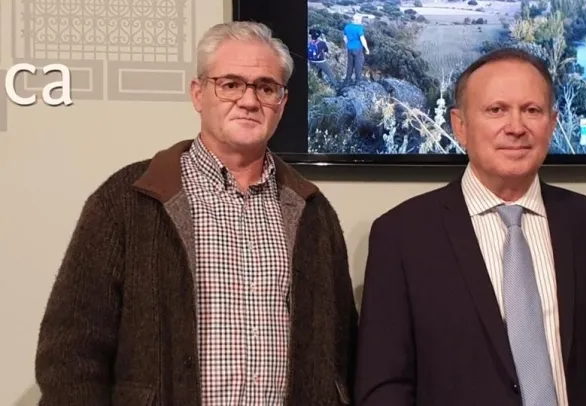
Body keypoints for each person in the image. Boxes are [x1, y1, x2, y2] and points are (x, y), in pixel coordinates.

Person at [34, 21, 357, 406]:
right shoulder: (127, 200)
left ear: (282, 102)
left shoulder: (313, 211)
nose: (249, 101)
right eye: (231, 84)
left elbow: (343, 349)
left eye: (266, 87)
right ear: (198, 93)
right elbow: (70, 353)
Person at [354, 48, 586, 406]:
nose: (516, 127)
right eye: (496, 110)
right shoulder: (401, 236)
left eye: (532, 110)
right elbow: (384, 385)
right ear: (460, 126)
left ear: (552, 123)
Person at [342, 14, 369, 84]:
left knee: (350, 65)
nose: (361, 21)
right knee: (358, 65)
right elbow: (362, 39)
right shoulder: (359, 28)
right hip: (358, 49)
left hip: (349, 49)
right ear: (357, 20)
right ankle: (358, 81)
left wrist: (347, 44)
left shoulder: (347, 26)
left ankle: (347, 80)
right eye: (360, 20)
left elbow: (344, 38)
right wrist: (366, 48)